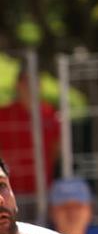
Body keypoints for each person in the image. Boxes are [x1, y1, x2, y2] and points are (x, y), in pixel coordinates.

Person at [0, 59, 61, 200]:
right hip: (8, 190)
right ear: (17, 85)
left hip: (43, 189)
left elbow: (56, 149)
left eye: (35, 82)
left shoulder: (49, 113)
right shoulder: (3, 114)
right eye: (26, 82)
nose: (31, 86)